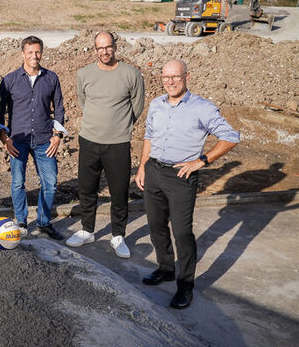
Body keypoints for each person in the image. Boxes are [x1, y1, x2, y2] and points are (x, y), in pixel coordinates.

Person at [136, 60, 239, 309]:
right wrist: (142, 167)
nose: (170, 81)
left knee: (182, 232)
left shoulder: (202, 108)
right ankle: (165, 268)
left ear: (186, 77)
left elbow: (231, 136)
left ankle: (185, 286)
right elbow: (149, 136)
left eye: (176, 77)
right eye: (165, 77)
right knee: (156, 224)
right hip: (154, 171)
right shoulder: (156, 104)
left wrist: (201, 161)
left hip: (181, 176)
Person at [66, 31, 144, 258]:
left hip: (118, 143)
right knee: (87, 188)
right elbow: (83, 101)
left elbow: (136, 106)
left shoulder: (131, 74)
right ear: (95, 49)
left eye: (108, 47)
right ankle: (87, 230)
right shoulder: (84, 74)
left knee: (119, 192)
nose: (105, 51)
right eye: (100, 48)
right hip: (89, 140)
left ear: (115, 46)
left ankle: (118, 235)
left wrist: (119, 125)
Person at [0, 35, 66, 240]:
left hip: (45, 139)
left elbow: (60, 108)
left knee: (51, 182)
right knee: (18, 182)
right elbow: (0, 112)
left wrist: (57, 136)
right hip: (18, 139)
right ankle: (21, 220)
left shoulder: (51, 78)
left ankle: (44, 222)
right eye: (30, 52)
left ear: (42, 53)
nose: (34, 56)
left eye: (37, 52)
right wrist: (4, 138)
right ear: (23, 54)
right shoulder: (10, 80)